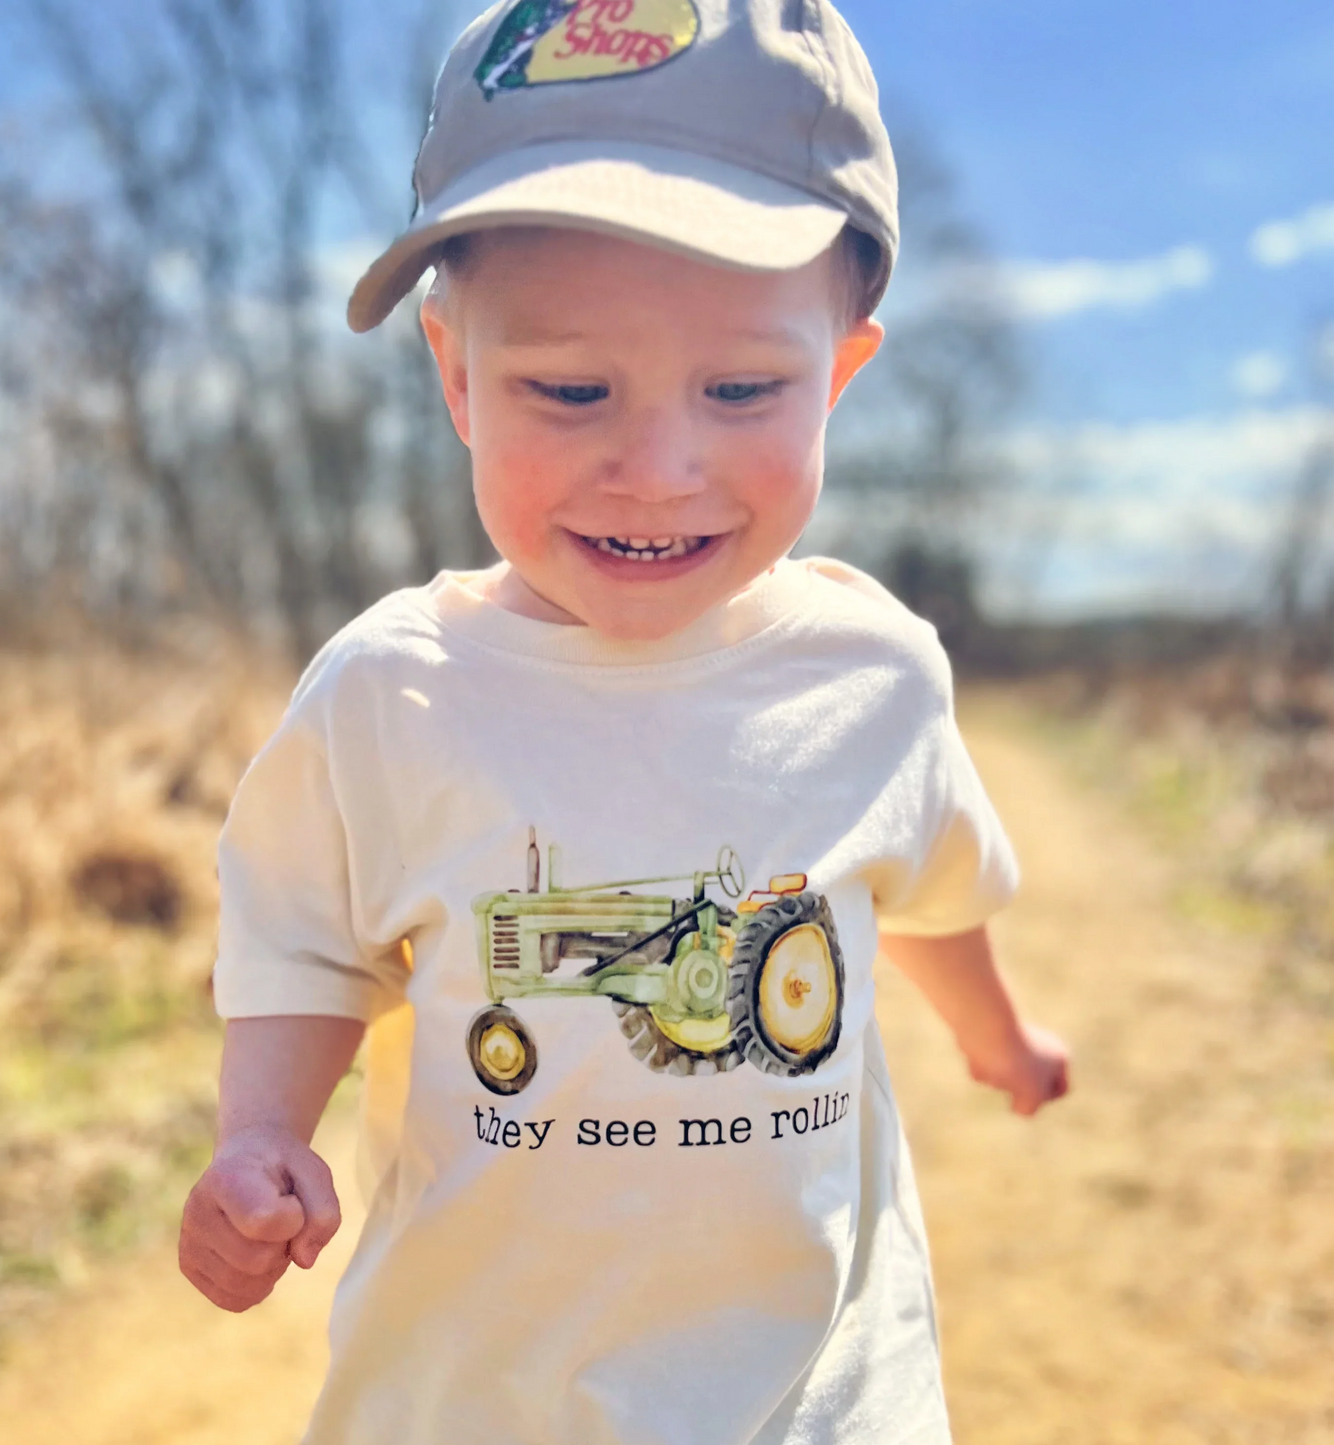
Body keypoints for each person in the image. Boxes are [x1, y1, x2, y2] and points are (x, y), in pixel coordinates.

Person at [178, 2, 1071, 1441]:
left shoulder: (875, 673)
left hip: (819, 1400)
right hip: (473, 1402)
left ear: (839, 376)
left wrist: (1000, 1036)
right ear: (456, 372)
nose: (658, 468)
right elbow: (302, 939)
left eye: (742, 390)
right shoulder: (390, 692)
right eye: (573, 389)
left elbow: (934, 888)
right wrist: (260, 1136)